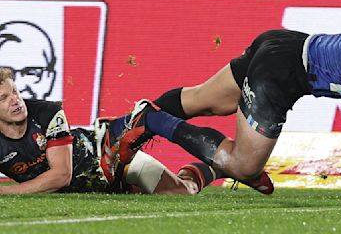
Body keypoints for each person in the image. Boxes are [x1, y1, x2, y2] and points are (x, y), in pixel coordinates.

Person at [114, 11, 341, 195]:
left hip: (284, 44)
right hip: (283, 72)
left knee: (203, 101)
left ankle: (121, 128)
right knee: (244, 164)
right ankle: (152, 121)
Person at [0, 67, 215, 195]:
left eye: (16, 92)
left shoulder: (47, 112)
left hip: (111, 160)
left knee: (183, 193)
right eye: (4, 98)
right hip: (98, 190)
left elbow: (61, 176)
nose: (16, 101)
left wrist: (8, 191)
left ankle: (213, 168)